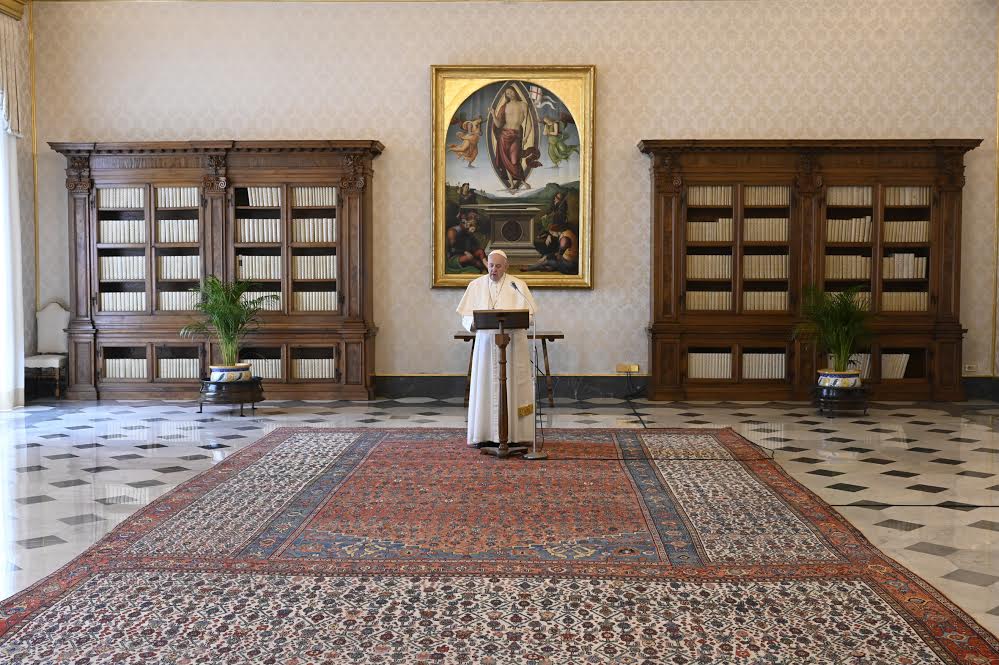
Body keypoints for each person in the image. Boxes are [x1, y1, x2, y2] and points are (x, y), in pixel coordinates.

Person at [456, 249, 538, 448]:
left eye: (498, 266)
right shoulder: (475, 285)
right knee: (484, 386)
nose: (493, 269)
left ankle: (516, 436)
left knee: (514, 387)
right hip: (486, 346)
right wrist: (472, 323)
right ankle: (483, 434)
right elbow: (465, 316)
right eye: (491, 265)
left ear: (506, 266)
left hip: (513, 345)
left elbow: (529, 315)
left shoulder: (518, 285)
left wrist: (523, 319)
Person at [490, 86, 542, 191]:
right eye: (507, 93)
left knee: (514, 160)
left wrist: (526, 137)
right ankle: (512, 185)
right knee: (506, 161)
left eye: (511, 92)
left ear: (515, 92)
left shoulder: (523, 105)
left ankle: (522, 181)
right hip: (504, 136)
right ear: (506, 96)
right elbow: (498, 124)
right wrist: (493, 114)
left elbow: (529, 124)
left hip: (516, 135)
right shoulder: (504, 106)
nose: (510, 94)